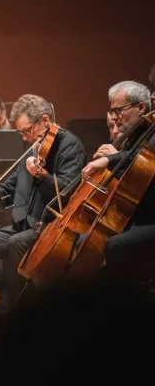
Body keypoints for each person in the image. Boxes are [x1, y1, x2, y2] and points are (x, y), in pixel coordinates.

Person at [0, 94, 86, 312]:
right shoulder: (35, 148)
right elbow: (6, 189)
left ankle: (15, 316)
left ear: (45, 121)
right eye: (21, 132)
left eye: (27, 130)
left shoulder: (70, 146)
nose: (25, 137)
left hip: (51, 228)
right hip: (23, 225)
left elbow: (67, 193)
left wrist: (41, 175)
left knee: (17, 243)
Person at [82, 81, 154, 281]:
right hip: (134, 216)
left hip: (150, 218)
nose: (114, 117)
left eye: (119, 110)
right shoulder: (133, 135)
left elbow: (139, 160)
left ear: (140, 107)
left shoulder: (150, 134)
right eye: (111, 111)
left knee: (114, 245)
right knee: (83, 242)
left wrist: (112, 158)